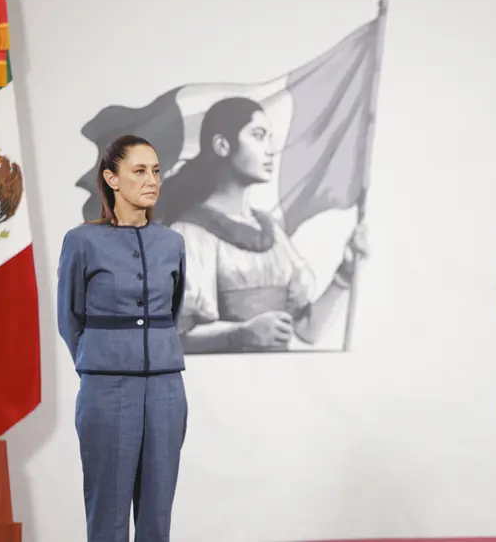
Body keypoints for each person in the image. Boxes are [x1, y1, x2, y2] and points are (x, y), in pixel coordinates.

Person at [153, 96, 368, 354]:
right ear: (222, 145)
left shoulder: (272, 232)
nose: (271, 149)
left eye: (269, 138)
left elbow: (307, 330)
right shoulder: (190, 233)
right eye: (258, 136)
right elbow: (174, 335)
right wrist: (242, 332)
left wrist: (345, 274)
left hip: (277, 376)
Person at [56, 134, 188, 542]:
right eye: (140, 171)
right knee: (108, 516)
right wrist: (101, 362)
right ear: (112, 179)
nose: (152, 180)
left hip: (166, 389)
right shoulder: (82, 241)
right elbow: (69, 318)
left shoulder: (173, 243)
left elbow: (173, 311)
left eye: (156, 171)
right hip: (106, 387)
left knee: (157, 516)